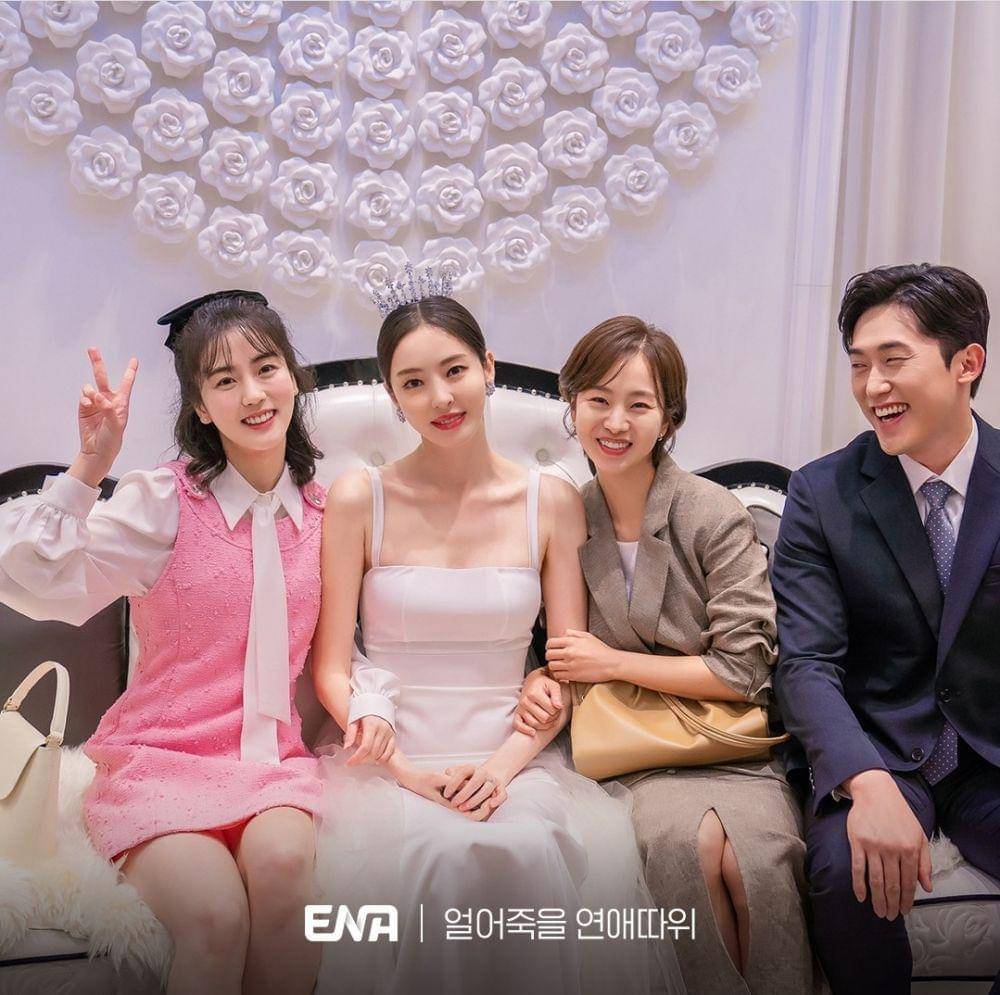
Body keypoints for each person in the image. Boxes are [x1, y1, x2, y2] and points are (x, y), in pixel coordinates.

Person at [310, 276, 685, 995]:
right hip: (390, 764)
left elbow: (568, 666)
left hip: (512, 758)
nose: (440, 398)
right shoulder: (360, 497)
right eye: (413, 383)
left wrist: (501, 770)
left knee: (516, 848)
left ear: (487, 367)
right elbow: (331, 667)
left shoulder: (550, 500)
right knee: (436, 859)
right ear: (393, 395)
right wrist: (406, 771)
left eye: (455, 370)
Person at [0, 291, 326, 995]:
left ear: (293, 376)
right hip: (160, 762)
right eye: (224, 379)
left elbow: (344, 650)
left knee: (283, 874)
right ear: (201, 408)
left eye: (266, 367)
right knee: (214, 917)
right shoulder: (164, 504)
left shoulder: (327, 512)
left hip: (273, 765)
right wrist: (88, 468)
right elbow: (28, 579)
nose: (253, 393)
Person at [516, 316, 814, 995]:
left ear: (669, 416)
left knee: (754, 862)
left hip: (733, 749)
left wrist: (614, 664)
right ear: (571, 403)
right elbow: (541, 642)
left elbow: (745, 670)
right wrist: (537, 677)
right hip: (633, 754)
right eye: (597, 399)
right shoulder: (566, 515)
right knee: (689, 848)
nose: (615, 421)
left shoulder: (712, 513)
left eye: (639, 404)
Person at [771, 263, 998, 994]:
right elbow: (806, 663)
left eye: (894, 360)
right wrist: (864, 781)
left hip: (990, 758)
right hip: (880, 750)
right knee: (845, 872)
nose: (873, 387)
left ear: (967, 362)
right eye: (859, 365)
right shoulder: (822, 492)